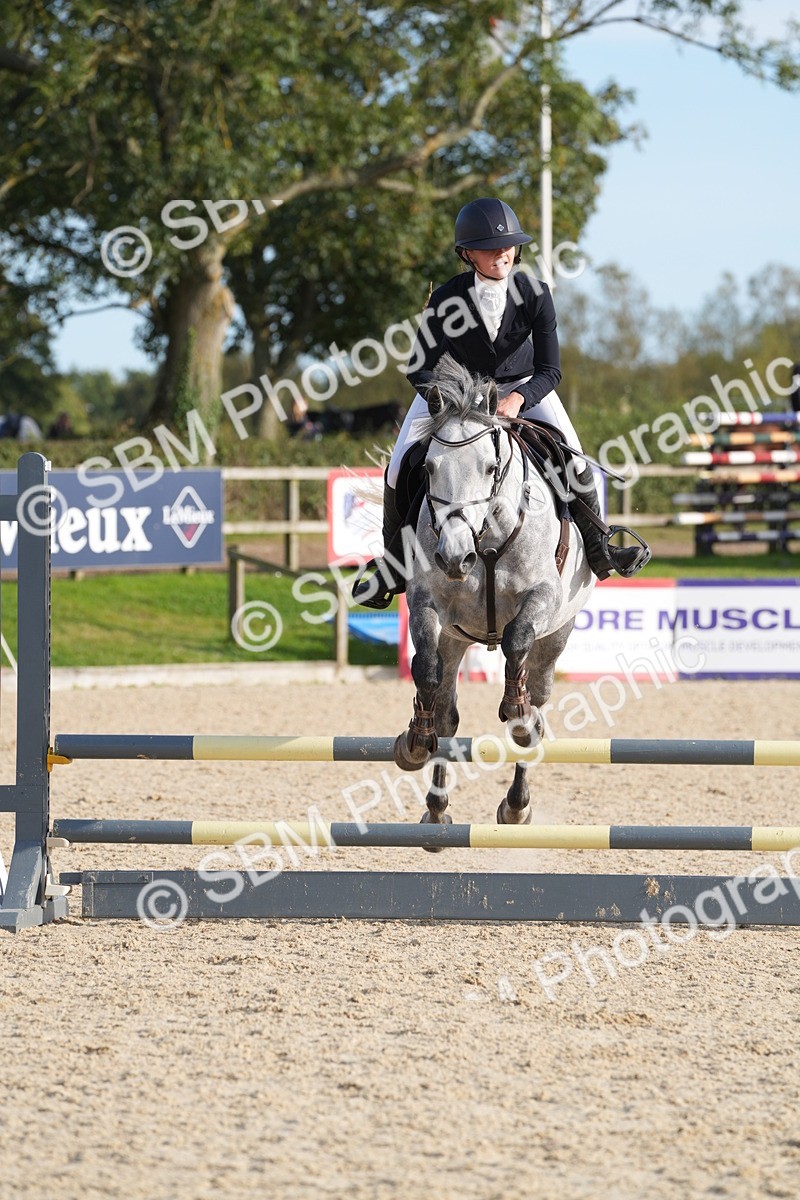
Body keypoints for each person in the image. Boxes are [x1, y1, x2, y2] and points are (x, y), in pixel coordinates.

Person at [353, 197, 650, 608]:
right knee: (401, 461)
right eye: (491, 248)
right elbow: (419, 368)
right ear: (467, 254)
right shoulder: (445, 298)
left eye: (509, 245)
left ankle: (602, 549)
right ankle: (391, 568)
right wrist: (447, 402)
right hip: (454, 391)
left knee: (576, 458)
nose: (503, 253)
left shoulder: (535, 294)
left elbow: (551, 369)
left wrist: (518, 399)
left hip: (523, 385)